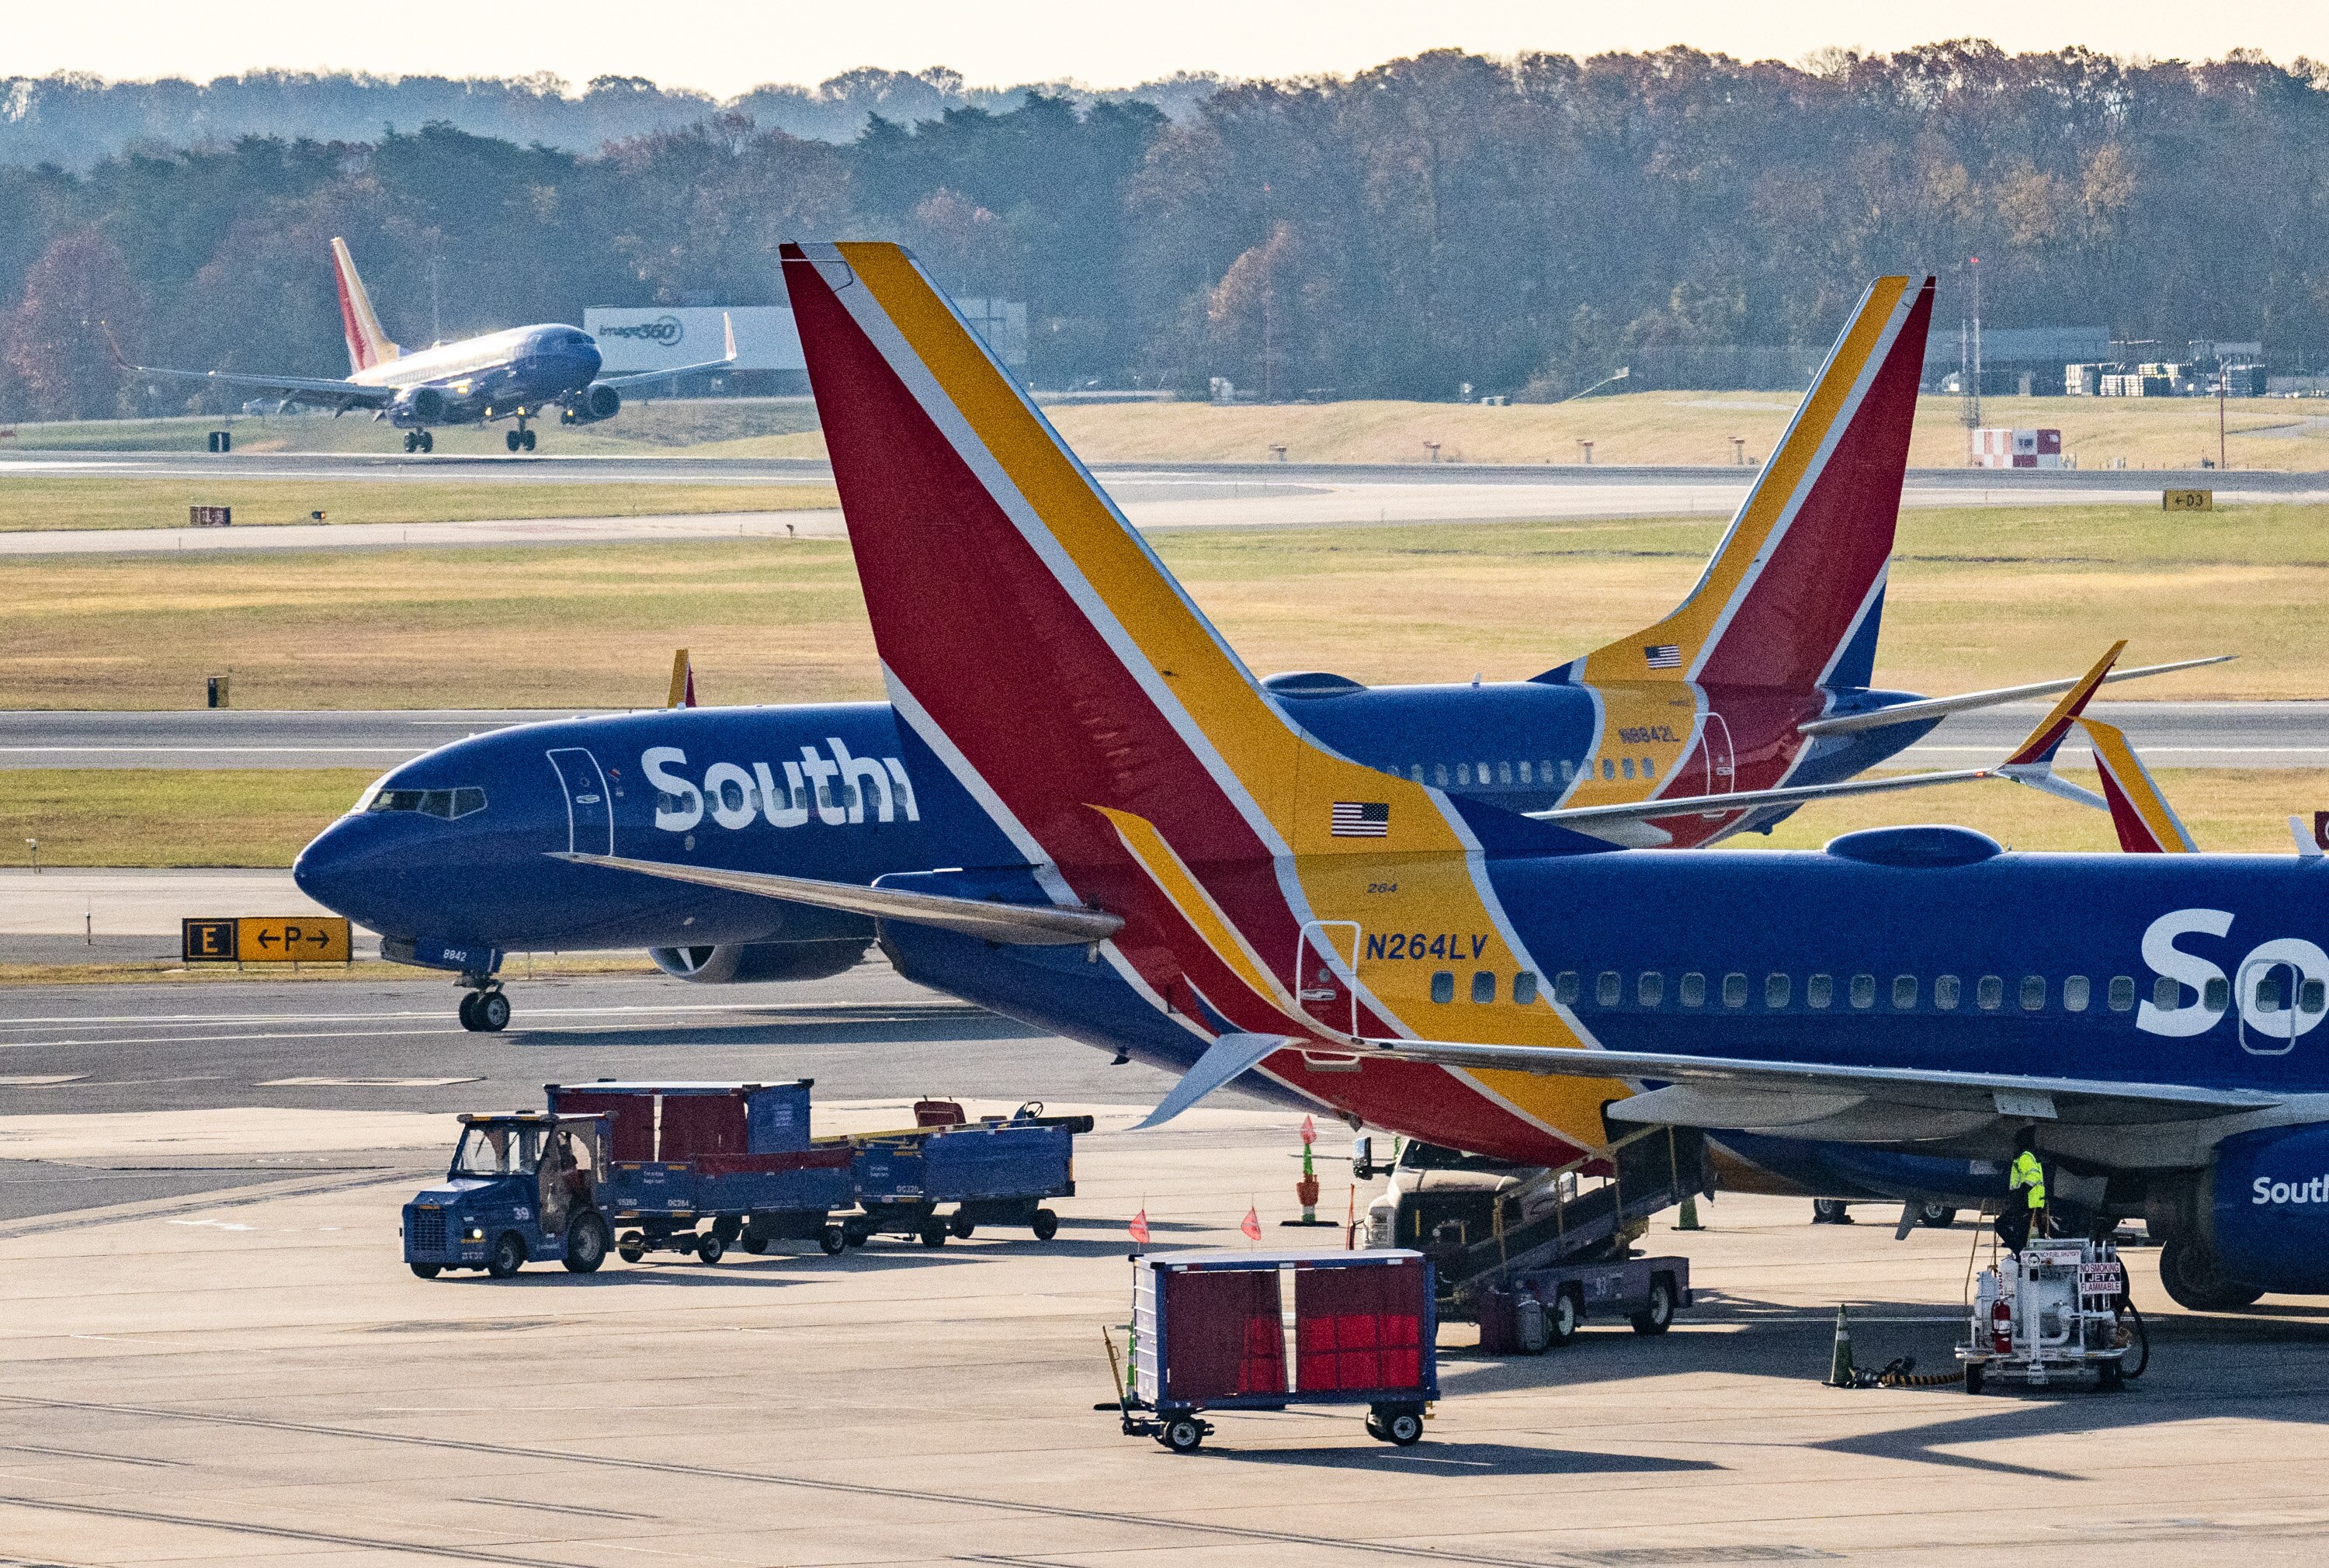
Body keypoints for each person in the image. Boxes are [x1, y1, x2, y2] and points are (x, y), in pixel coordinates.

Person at [1996, 1132, 2046, 1253]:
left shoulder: (2024, 1157)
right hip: (2031, 1203)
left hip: (2025, 1203)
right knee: (2025, 1234)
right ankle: (2021, 1254)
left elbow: (2034, 1176)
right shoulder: (2030, 1156)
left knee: (2000, 1225)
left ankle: (2019, 1252)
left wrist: (2021, 1192)